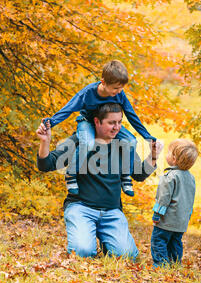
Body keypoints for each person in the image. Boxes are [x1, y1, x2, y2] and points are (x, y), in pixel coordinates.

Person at [37, 103, 162, 260]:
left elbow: (138, 175)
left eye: (119, 122)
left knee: (127, 256)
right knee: (82, 253)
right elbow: (46, 164)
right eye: (111, 123)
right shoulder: (80, 141)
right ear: (97, 122)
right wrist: (45, 141)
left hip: (112, 212)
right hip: (81, 208)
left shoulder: (123, 145)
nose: (117, 127)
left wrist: (154, 156)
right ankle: (85, 236)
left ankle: (108, 240)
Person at [43, 60, 157, 197]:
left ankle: (125, 176)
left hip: (108, 124)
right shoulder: (88, 93)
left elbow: (131, 115)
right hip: (87, 122)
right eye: (115, 88)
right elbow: (69, 108)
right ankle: (71, 174)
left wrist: (147, 136)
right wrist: (52, 122)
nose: (119, 92)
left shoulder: (120, 94)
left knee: (131, 142)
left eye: (121, 88)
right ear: (103, 82)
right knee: (88, 143)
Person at [151, 139, 198, 267]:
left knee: (159, 241)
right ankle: (175, 264)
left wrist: (157, 214)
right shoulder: (191, 178)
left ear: (174, 158)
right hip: (181, 221)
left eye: (168, 152)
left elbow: (163, 198)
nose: (166, 154)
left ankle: (161, 265)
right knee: (175, 242)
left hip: (166, 220)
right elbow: (190, 199)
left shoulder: (169, 177)